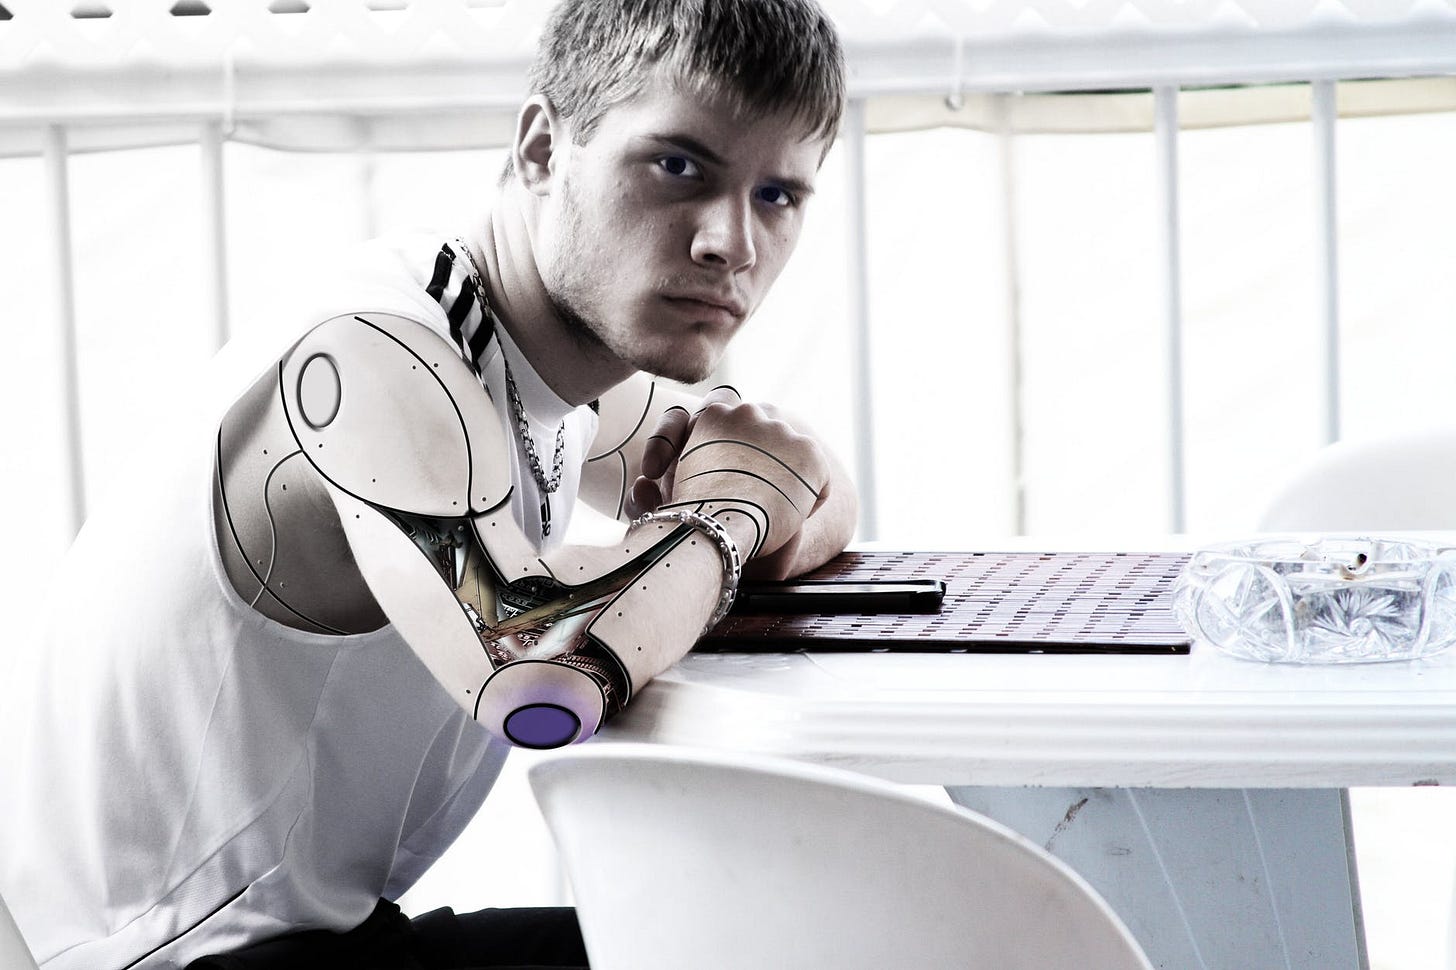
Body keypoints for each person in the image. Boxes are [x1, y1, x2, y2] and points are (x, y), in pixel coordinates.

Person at [0, 0, 853, 967]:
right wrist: (733, 510)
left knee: (785, 940)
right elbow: (538, 675)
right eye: (678, 166)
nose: (729, 243)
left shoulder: (555, 366)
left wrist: (751, 497)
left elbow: (807, 491)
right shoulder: (380, 366)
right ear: (542, 147)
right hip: (164, 962)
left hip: (319, 941)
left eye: (778, 195)